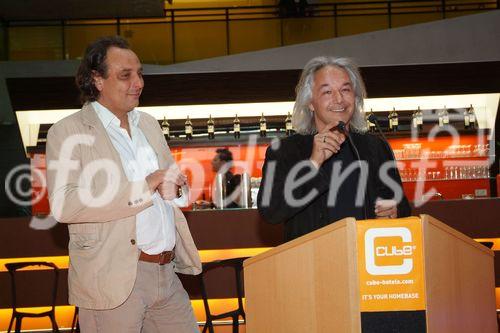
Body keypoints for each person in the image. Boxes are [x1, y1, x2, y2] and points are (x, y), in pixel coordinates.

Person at [46, 36, 201, 332]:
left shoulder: (149, 124)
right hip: (111, 280)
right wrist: (145, 186)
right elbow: (64, 205)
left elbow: (171, 183)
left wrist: (175, 188)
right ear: (97, 80)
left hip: (166, 275)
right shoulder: (67, 132)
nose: (138, 82)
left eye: (140, 73)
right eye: (125, 75)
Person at [257, 56, 411, 241]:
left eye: (345, 90)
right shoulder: (285, 151)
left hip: (366, 259)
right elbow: (272, 212)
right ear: (310, 102)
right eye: (327, 92)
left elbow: (402, 207)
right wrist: (313, 163)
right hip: (311, 262)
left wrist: (394, 211)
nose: (339, 99)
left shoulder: (374, 147)